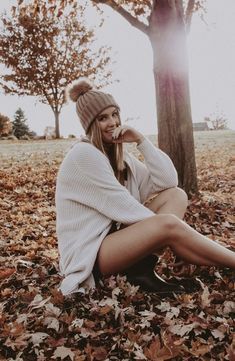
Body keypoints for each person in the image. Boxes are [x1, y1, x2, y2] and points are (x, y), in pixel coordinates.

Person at [55, 79, 235, 296]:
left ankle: (140, 271)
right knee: (167, 224)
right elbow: (125, 209)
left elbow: (168, 182)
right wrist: (176, 239)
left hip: (113, 242)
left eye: (115, 114)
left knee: (176, 196)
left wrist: (141, 140)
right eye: (103, 118)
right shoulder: (84, 155)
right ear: (91, 124)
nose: (112, 122)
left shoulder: (122, 157)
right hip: (89, 255)